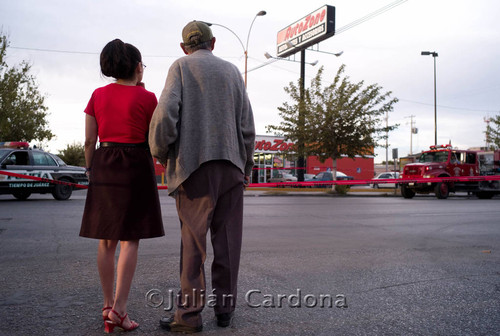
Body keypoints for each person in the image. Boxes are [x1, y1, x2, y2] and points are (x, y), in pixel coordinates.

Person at [149, 20, 255, 333]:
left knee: (193, 246)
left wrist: (161, 151)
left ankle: (189, 317)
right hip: (231, 166)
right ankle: (225, 311)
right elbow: (247, 125)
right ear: (213, 42)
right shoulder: (232, 72)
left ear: (184, 47)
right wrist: (245, 167)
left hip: (194, 167)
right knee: (228, 243)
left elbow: (165, 113)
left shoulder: (180, 67)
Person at [80, 39, 164, 333]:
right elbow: (156, 139)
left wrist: (91, 167)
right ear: (138, 67)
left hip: (105, 161)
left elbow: (90, 140)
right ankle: (120, 309)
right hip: (136, 163)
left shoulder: (97, 95)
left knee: (106, 240)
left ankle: (106, 306)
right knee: (130, 239)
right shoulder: (149, 98)